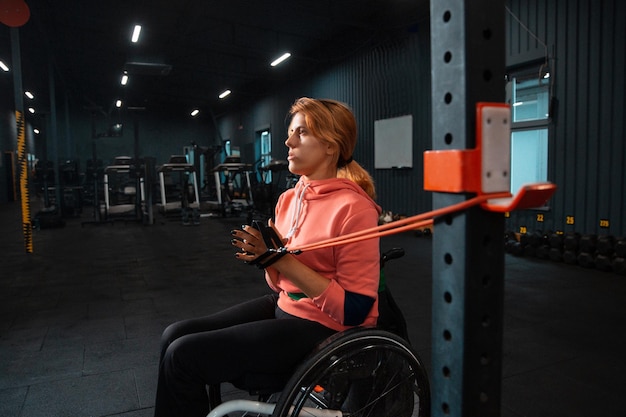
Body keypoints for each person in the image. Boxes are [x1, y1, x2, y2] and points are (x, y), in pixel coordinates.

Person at [153, 97, 382, 417]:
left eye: (301, 133)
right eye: (290, 132)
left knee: (183, 356)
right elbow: (279, 286)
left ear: (331, 146)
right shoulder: (288, 199)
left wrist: (280, 260)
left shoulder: (354, 209)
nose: (288, 142)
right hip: (285, 306)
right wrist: (264, 259)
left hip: (325, 328)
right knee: (173, 334)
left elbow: (357, 310)